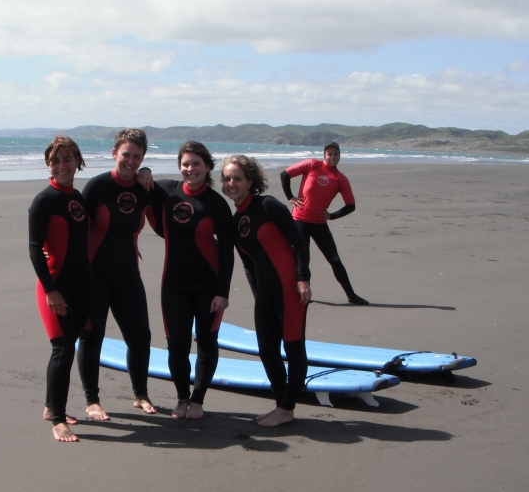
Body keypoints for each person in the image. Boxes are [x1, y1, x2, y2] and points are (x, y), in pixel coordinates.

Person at [138, 142, 234, 419]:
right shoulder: (168, 189)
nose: (190, 169)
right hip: (174, 285)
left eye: (196, 164)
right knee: (176, 344)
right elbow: (141, 180)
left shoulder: (216, 203)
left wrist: (223, 292)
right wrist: (145, 167)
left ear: (207, 167)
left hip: (209, 285)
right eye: (185, 164)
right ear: (179, 165)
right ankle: (182, 398)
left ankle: (198, 401)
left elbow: (227, 251)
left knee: (207, 343)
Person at [76, 129, 159, 420]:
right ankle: (92, 401)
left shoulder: (144, 188)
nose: (131, 161)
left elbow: (172, 209)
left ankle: (140, 394)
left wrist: (148, 173)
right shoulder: (97, 186)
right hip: (93, 276)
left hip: (127, 276)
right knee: (91, 337)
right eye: (126, 154)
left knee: (140, 337)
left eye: (138, 157)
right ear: (114, 153)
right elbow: (74, 225)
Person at [222, 155, 311, 427]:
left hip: (290, 287)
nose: (232, 183)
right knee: (267, 350)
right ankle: (281, 404)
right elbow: (249, 265)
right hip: (265, 292)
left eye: (238, 178)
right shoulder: (236, 222)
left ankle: (287, 408)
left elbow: (298, 241)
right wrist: (258, 293)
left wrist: (302, 278)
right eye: (227, 178)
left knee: (293, 346)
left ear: (250, 181)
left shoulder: (268, 205)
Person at [29, 136, 93, 442]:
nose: (62, 165)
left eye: (67, 159)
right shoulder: (44, 200)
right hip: (53, 288)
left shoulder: (77, 197)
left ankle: (49, 406)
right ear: (48, 165)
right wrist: (51, 290)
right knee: (62, 349)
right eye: (56, 160)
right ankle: (58, 419)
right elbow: (33, 248)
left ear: (77, 162)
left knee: (70, 346)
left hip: (82, 287)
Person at [280, 142, 367, 305]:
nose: (333, 157)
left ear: (339, 156)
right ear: (324, 155)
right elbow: (284, 174)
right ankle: (303, 294)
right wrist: (290, 197)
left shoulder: (340, 179)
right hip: (299, 221)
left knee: (334, 260)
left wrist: (332, 216)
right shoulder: (311, 165)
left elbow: (351, 205)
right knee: (302, 260)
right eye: (329, 154)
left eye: (336, 154)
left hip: (319, 223)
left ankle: (351, 295)